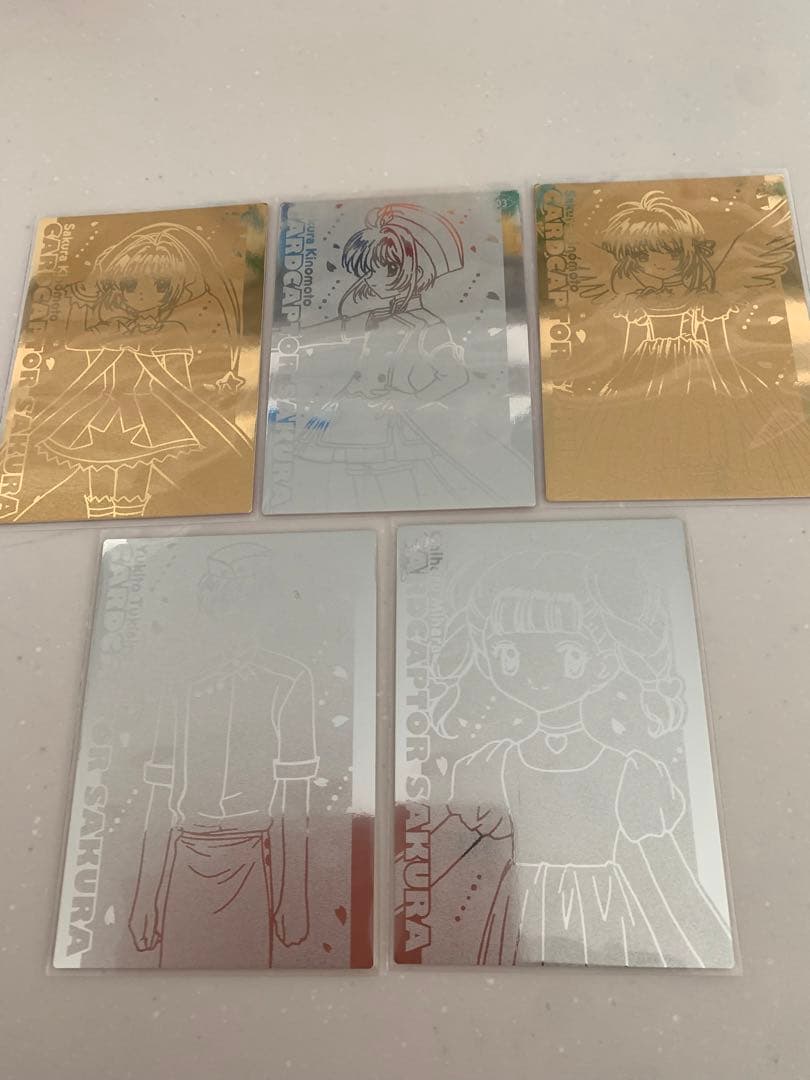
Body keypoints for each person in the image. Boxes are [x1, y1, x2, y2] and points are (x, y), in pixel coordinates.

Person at [418, 549, 733, 967]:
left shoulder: (630, 771)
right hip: (513, 910)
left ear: (602, 663)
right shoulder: (489, 765)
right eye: (509, 653)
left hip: (603, 915)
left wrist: (704, 937)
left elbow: (668, 876)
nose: (535, 672)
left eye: (567, 653)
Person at [127, 543, 318, 968]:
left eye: (250, 600)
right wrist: (145, 896)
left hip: (251, 860)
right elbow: (158, 794)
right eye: (226, 598)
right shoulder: (179, 682)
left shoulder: (289, 679)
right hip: (183, 860)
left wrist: (294, 895)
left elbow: (295, 795)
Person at [27, 222, 250, 518]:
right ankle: (100, 514)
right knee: (97, 475)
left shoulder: (174, 330)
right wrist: (116, 337)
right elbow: (79, 348)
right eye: (131, 284)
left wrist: (146, 351)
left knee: (135, 481)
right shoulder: (111, 327)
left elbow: (178, 376)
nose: (143, 293)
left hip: (149, 411)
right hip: (102, 408)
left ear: (176, 287)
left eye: (160, 285)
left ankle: (132, 515)